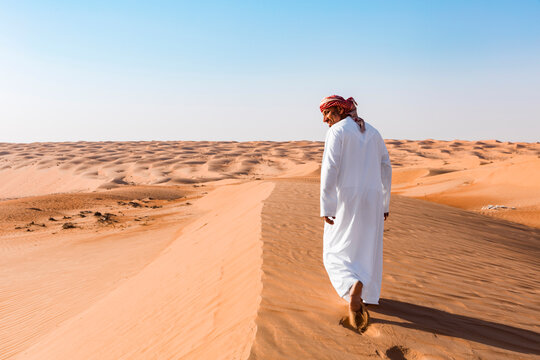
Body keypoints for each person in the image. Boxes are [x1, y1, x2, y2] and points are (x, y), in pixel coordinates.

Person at [319, 95, 392, 332]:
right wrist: (384, 203)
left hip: (345, 198)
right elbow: (385, 167)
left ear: (340, 109)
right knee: (365, 246)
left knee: (333, 249)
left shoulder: (338, 132)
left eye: (328, 112)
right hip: (372, 199)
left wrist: (326, 205)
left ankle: (351, 285)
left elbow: (330, 168)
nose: (325, 119)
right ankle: (363, 288)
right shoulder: (373, 132)